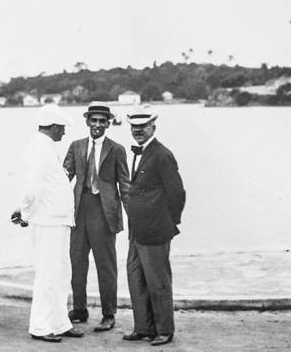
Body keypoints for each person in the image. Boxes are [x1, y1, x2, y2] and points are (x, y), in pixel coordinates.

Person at [18, 104, 83, 343]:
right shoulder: (38, 149)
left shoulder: (45, 147)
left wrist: (25, 211)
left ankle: (59, 322)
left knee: (60, 274)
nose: (64, 133)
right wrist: (25, 214)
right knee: (47, 275)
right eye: (62, 128)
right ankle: (40, 326)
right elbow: (32, 190)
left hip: (58, 221)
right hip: (47, 223)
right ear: (54, 127)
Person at [122, 107, 185, 347]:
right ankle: (144, 328)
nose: (138, 131)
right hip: (136, 230)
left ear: (153, 128)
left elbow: (177, 193)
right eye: (134, 128)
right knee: (136, 279)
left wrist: (168, 223)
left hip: (156, 230)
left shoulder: (162, 155)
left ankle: (164, 330)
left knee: (158, 282)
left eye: (143, 127)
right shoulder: (138, 153)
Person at [63, 101, 129, 332]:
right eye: (94, 120)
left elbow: (125, 185)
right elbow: (63, 178)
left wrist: (134, 217)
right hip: (79, 210)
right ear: (87, 122)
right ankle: (79, 309)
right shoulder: (76, 146)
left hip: (104, 213)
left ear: (108, 123)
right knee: (77, 262)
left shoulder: (117, 149)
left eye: (102, 121)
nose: (98, 125)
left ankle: (108, 314)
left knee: (106, 265)